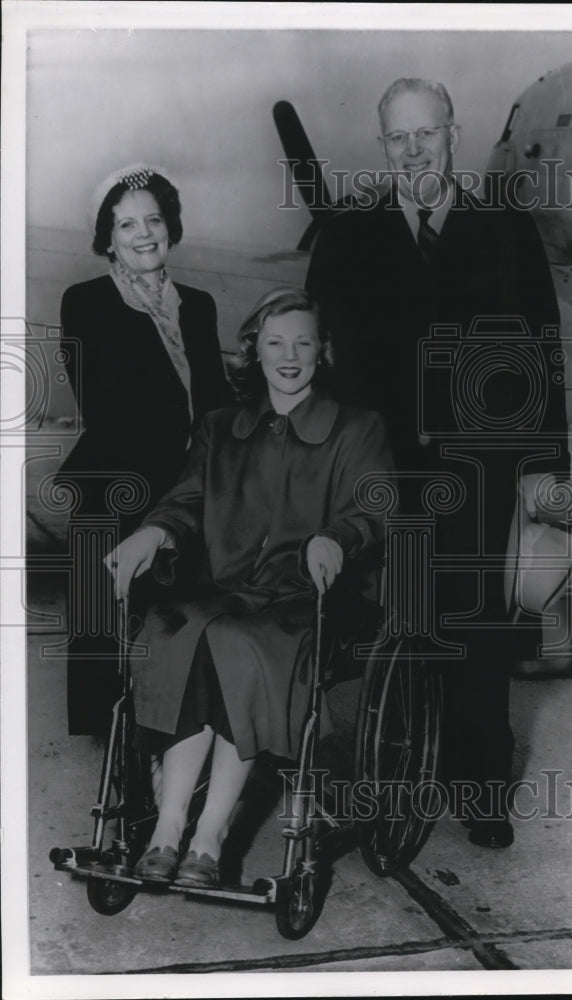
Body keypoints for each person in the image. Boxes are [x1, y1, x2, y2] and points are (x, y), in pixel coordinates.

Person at [306, 78, 570, 848]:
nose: (414, 148)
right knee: (391, 622)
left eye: (426, 133)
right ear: (382, 146)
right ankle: (385, 783)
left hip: (481, 465)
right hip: (382, 463)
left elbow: (539, 348)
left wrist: (542, 462)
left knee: (477, 624)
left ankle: (480, 785)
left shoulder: (503, 226)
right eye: (397, 138)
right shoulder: (351, 234)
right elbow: (320, 353)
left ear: (453, 132)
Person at [104, 287, 392, 887]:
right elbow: (184, 502)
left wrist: (337, 537)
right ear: (253, 350)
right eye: (275, 342)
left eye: (303, 342)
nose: (289, 356)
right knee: (173, 631)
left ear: (324, 351)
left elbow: (374, 508)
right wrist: (153, 534)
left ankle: (210, 836)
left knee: (236, 641)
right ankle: (167, 828)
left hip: (306, 602)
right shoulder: (219, 429)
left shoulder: (358, 428)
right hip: (224, 592)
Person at [57, 163, 233, 736]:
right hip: (116, 481)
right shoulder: (86, 302)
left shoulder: (199, 306)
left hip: (181, 489)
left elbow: (213, 402)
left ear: (170, 225)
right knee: (102, 624)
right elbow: (107, 410)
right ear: (106, 238)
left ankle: (162, 735)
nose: (142, 233)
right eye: (125, 223)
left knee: (170, 629)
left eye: (153, 219)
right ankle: (111, 752)